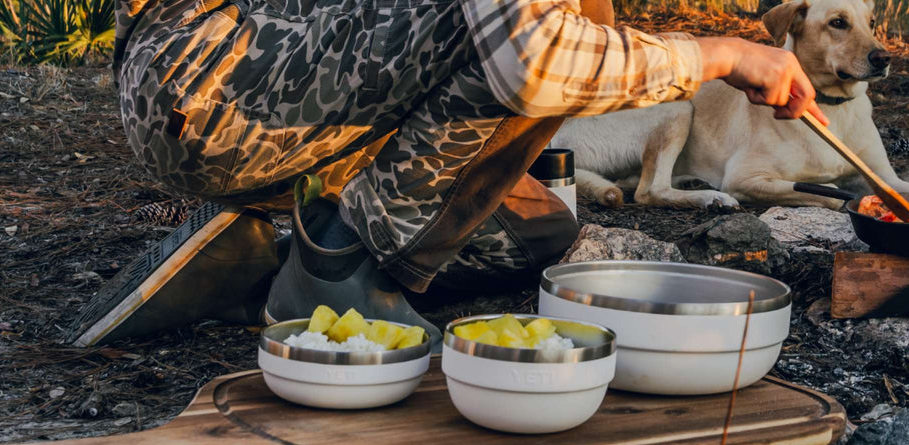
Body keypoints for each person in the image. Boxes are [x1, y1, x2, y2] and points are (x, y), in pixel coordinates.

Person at [68, 0, 828, 347]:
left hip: (272, 90)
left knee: (539, 232)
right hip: (210, 70)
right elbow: (531, 57)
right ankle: (337, 268)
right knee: (539, 38)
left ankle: (283, 254)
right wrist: (723, 55)